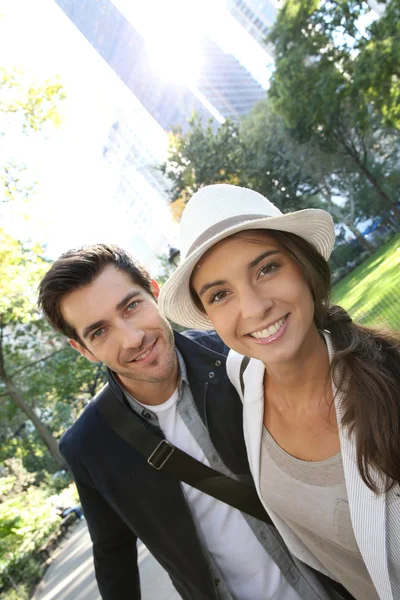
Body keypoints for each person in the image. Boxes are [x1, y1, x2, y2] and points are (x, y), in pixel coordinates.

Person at [36, 244, 335, 600]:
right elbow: (112, 553)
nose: (132, 339)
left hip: (336, 584)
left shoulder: (241, 357)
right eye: (99, 332)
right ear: (83, 349)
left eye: (132, 306)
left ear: (155, 292)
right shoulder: (87, 446)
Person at [159, 184, 400, 600]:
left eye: (267, 269)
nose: (253, 308)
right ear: (209, 317)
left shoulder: (390, 383)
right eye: (220, 295)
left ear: (304, 267)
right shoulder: (243, 380)